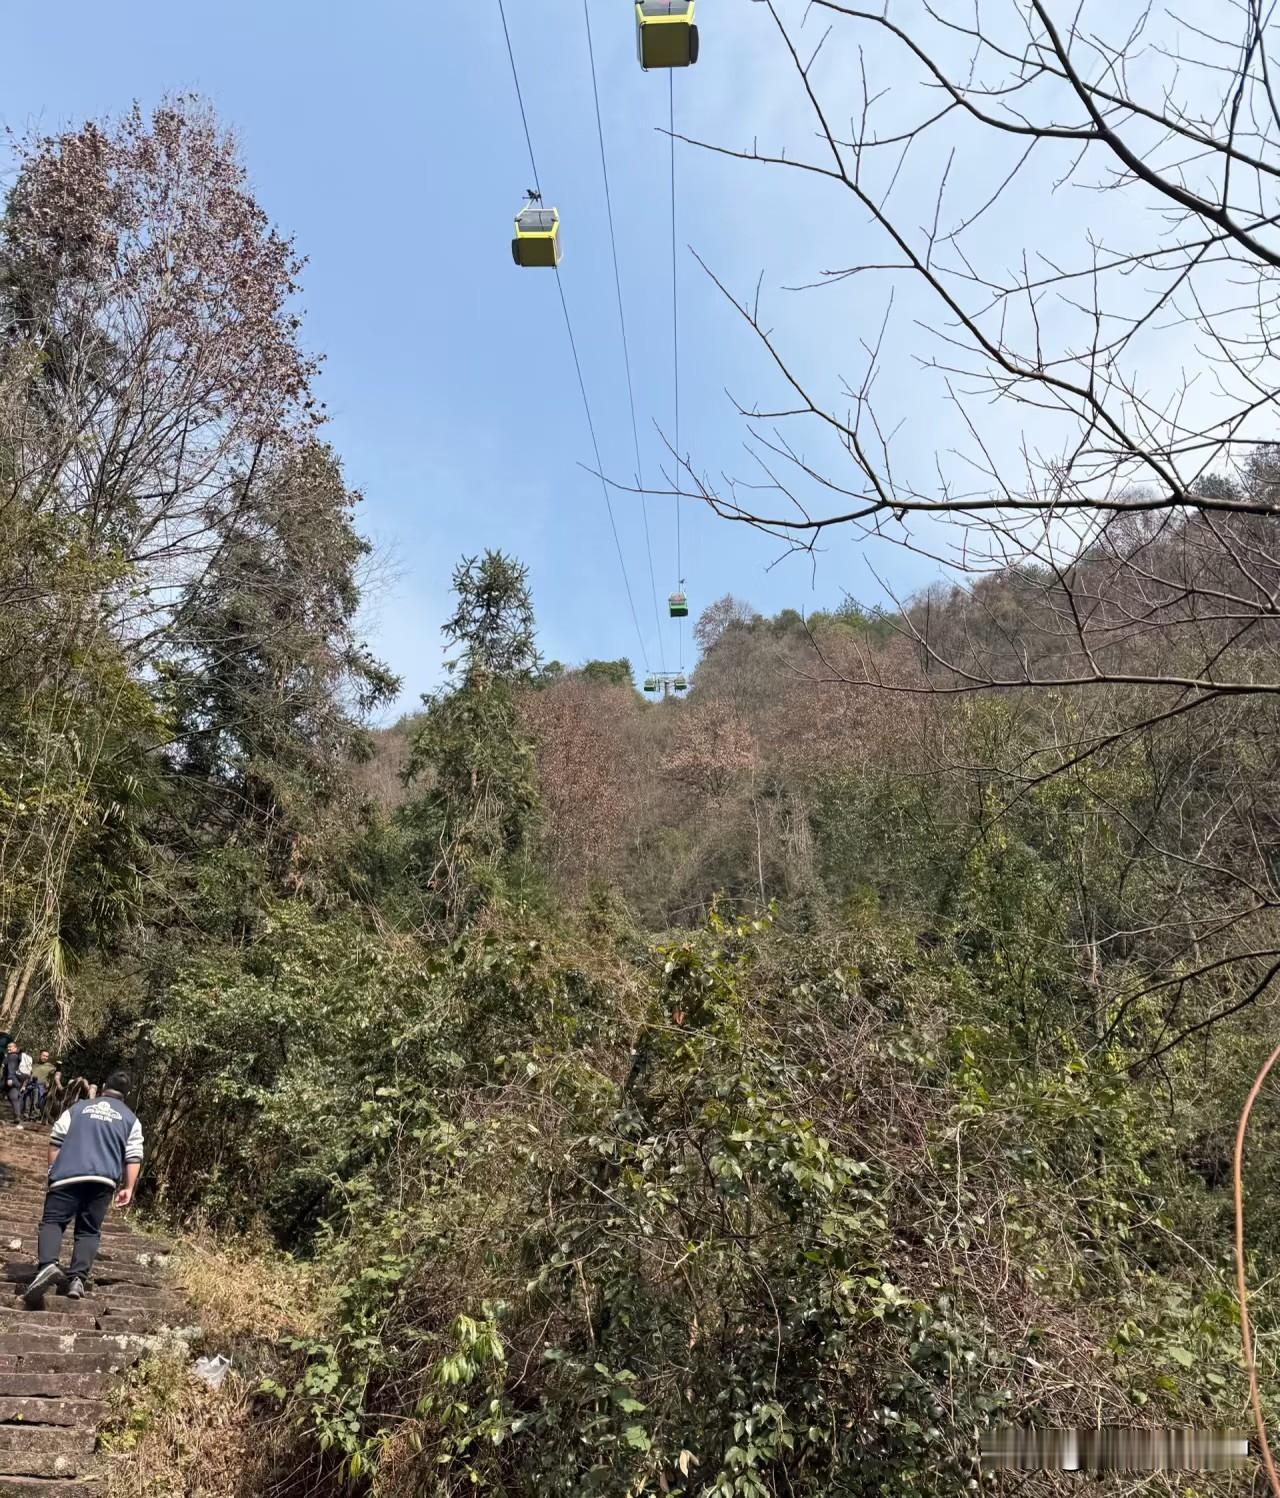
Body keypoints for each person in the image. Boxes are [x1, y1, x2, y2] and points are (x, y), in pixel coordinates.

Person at [24, 1072, 144, 1305]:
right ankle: (77, 1279)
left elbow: (56, 1139)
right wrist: (128, 1187)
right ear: (126, 1095)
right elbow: (133, 1156)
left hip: (68, 1174)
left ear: (103, 1088)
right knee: (88, 1230)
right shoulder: (131, 1120)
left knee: (53, 1221)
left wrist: (52, 1170)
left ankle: (48, 1265)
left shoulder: (79, 1108)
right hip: (103, 1180)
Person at [26, 1052, 56, 1120]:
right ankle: (26, 1115)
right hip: (30, 1084)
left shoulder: (50, 1066)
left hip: (40, 1086)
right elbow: (29, 1075)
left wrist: (48, 1083)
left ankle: (35, 1116)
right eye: (43, 1056)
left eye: (46, 1056)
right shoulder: (34, 1065)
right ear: (40, 1055)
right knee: (27, 1100)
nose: (45, 1057)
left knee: (36, 1100)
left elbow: (55, 1074)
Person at [2, 1043, 24, 1128]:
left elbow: (11, 1068)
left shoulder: (12, 1056)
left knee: (13, 1097)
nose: (8, 1048)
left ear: (15, 1048)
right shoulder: (15, 1056)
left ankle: (17, 1116)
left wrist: (10, 1078)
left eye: (10, 1047)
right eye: (7, 1047)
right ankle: (17, 1116)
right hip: (15, 1081)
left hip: (10, 1080)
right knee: (14, 1098)